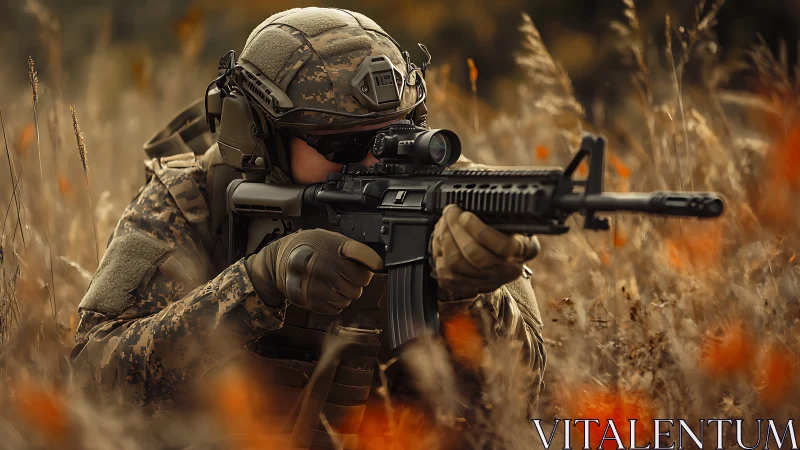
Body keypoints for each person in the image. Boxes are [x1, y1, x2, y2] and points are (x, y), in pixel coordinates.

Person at [70, 7, 546, 448]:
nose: (375, 161)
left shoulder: (458, 196)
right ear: (261, 137)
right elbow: (93, 383)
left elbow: (519, 403)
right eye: (342, 145)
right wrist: (258, 284)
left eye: (396, 135)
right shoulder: (194, 201)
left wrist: (474, 295)